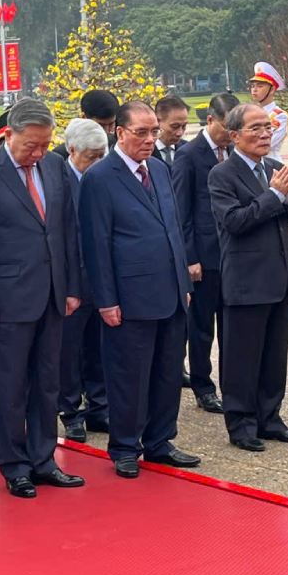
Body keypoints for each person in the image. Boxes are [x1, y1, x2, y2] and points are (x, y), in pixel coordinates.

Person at [0, 98, 85, 497]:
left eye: (45, 144)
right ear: (8, 135)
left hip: (51, 294)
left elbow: (66, 230)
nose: (38, 152)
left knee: (48, 382)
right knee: (10, 387)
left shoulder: (53, 166)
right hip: (7, 300)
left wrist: (70, 288)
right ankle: (14, 465)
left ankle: (44, 459)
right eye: (31, 144)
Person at [78, 102, 200, 479]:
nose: (150, 140)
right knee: (129, 376)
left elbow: (173, 229)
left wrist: (183, 281)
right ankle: (125, 446)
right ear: (120, 132)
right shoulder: (100, 177)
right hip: (128, 299)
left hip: (170, 293)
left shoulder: (160, 170)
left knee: (167, 373)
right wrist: (106, 299)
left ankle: (160, 441)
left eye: (153, 132)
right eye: (141, 133)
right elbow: (95, 244)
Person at [208, 104, 288, 451]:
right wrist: (274, 196)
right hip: (246, 282)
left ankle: (271, 418)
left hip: (280, 280)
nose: (265, 133)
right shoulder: (222, 175)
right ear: (234, 135)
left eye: (267, 127)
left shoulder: (275, 168)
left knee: (273, 355)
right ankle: (241, 424)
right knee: (242, 357)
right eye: (255, 128)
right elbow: (235, 222)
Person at [172, 92, 239, 415]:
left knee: (233, 327)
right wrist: (189, 257)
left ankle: (234, 386)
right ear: (210, 120)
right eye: (228, 127)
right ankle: (203, 386)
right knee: (201, 329)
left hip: (235, 255)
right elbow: (181, 210)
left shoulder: (236, 151)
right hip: (204, 256)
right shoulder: (189, 155)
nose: (232, 134)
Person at [57, 118, 110, 443]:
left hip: (101, 281)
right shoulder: (57, 180)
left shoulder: (103, 178)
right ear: (71, 150)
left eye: (101, 155)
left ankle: (99, 408)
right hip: (70, 284)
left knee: (99, 349)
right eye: (91, 156)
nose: (96, 162)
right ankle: (70, 411)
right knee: (68, 352)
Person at [52, 89, 119, 158]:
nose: (106, 131)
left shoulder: (117, 147)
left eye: (111, 124)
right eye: (101, 125)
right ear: (84, 118)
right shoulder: (61, 156)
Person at [247, 62, 288, 161]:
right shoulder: (249, 113)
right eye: (253, 86)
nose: (254, 90)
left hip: (271, 163)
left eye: (260, 86)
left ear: (272, 90)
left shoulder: (279, 116)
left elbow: (267, 143)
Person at [154, 96, 190, 173]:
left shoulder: (189, 151)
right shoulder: (146, 152)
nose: (180, 133)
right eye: (175, 126)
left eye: (184, 126)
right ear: (157, 121)